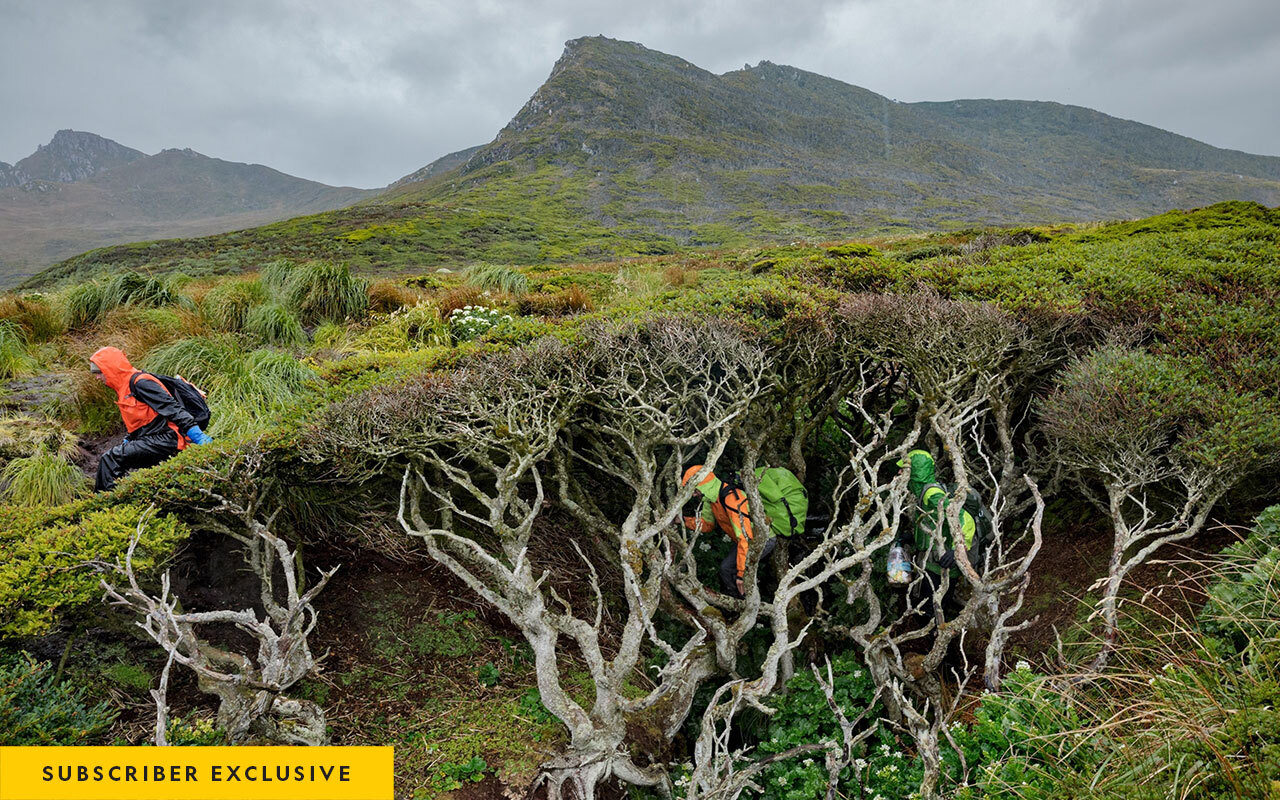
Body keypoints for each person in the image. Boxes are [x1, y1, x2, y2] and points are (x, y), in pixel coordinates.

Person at [90, 346, 212, 492]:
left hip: (168, 439)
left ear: (110, 368)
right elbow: (145, 420)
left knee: (110, 459)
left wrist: (197, 435)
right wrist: (130, 439)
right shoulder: (124, 388)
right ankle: (122, 501)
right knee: (129, 466)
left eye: (99, 372)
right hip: (152, 439)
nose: (97, 377)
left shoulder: (141, 383)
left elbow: (173, 409)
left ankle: (105, 507)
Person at [682, 465, 775, 598]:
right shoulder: (712, 499)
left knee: (737, 572)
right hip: (744, 540)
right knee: (726, 568)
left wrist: (741, 574)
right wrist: (684, 521)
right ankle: (737, 600)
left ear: (704, 485)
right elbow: (707, 525)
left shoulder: (732, 499)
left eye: (695, 490)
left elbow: (745, 537)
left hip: (762, 539)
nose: (693, 494)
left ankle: (748, 600)